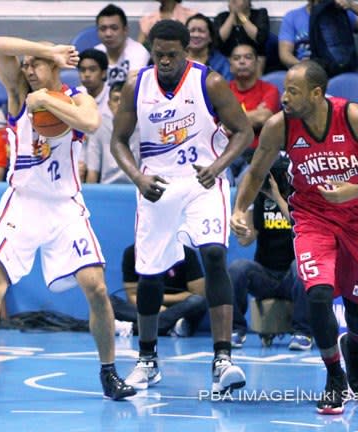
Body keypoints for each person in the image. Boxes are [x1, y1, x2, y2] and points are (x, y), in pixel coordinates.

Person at [0, 36, 136, 403]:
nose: (28, 68)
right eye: (28, 62)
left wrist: (47, 99)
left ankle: (110, 373)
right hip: (22, 202)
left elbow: (92, 123)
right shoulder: (17, 92)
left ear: (55, 69)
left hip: (64, 205)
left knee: (95, 286)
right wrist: (47, 51)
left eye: (36, 63)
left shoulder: (75, 96)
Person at [231, 60, 358, 414]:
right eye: (285, 90)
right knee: (318, 293)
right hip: (312, 219)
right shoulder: (280, 126)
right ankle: (333, 375)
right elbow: (255, 171)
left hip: (356, 220)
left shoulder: (354, 117)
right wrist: (238, 210)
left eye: (293, 91)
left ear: (317, 93)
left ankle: (355, 348)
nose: (285, 98)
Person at [111, 20, 253, 393]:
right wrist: (137, 178)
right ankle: (147, 360)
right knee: (151, 272)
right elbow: (118, 142)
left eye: (173, 55)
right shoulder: (135, 86)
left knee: (214, 255)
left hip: (203, 181)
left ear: (187, 51)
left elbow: (244, 131)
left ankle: (223, 360)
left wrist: (218, 167)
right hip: (156, 186)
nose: (165, 61)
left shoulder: (210, 83)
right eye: (159, 55)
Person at [229, 156, 312, 350]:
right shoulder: (260, 199)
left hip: (292, 278)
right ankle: (236, 330)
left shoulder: (300, 198)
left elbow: (297, 225)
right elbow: (246, 239)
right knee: (237, 268)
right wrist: (243, 219)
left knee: (301, 266)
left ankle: (303, 333)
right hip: (266, 275)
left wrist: (277, 197)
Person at [111, 244, 207, 338]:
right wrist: (156, 308)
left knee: (198, 301)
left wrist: (159, 303)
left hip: (178, 309)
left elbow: (198, 294)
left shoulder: (186, 253)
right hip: (145, 308)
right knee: (109, 301)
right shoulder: (132, 252)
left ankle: (132, 328)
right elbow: (132, 296)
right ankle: (170, 327)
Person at [227, 43, 280, 184]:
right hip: (228, 152)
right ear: (230, 65)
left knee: (244, 183)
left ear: (257, 63)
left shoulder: (270, 90)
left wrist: (231, 120)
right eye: (237, 58)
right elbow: (219, 124)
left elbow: (264, 118)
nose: (242, 61)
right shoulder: (223, 91)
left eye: (248, 57)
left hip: (259, 152)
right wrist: (255, 114)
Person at [278, 0, 358, 69]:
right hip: (307, 73)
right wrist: (303, 66)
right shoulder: (292, 17)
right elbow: (285, 54)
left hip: (338, 69)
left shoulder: (339, 14)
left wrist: (351, 5)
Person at [85, 81, 139, 184]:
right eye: (116, 99)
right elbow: (93, 171)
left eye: (123, 100)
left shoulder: (142, 127)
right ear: (109, 104)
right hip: (107, 187)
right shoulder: (99, 126)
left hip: (137, 187)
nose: (119, 104)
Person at [95, 4, 150, 87]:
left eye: (114, 28)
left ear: (125, 30)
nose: (108, 34)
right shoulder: (96, 52)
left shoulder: (139, 52)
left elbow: (133, 87)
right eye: (103, 29)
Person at [214, 0, 269, 76]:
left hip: (254, 59)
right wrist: (232, 14)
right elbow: (218, 40)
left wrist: (240, 14)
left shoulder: (260, 14)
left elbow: (260, 38)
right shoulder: (222, 17)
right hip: (228, 61)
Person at [185, 14, 232, 80]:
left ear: (210, 37)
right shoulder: (178, 59)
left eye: (201, 31)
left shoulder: (221, 62)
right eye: (192, 31)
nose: (196, 35)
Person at [77, 49, 110, 118]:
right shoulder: (76, 95)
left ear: (103, 73)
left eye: (92, 70)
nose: (87, 74)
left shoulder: (113, 97)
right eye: (82, 70)